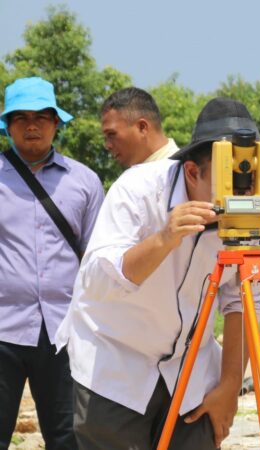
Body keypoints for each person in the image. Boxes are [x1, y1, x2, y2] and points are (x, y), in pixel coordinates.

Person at [55, 97, 260, 449]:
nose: (243, 193)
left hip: (190, 368)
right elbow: (99, 282)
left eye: (250, 177)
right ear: (193, 172)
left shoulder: (254, 206)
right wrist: (164, 239)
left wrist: (229, 385)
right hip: (115, 362)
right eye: (231, 179)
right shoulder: (137, 191)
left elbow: (243, 298)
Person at [0, 76, 104, 449]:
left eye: (42, 116)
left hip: (64, 332)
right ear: (7, 125)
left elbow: (98, 258)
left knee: (67, 438)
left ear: (57, 122)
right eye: (21, 117)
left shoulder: (85, 181)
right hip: (2, 329)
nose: (32, 125)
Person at [101, 87, 179, 167]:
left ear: (142, 127)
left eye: (111, 134)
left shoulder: (186, 173)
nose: (108, 146)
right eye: (105, 138)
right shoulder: (134, 176)